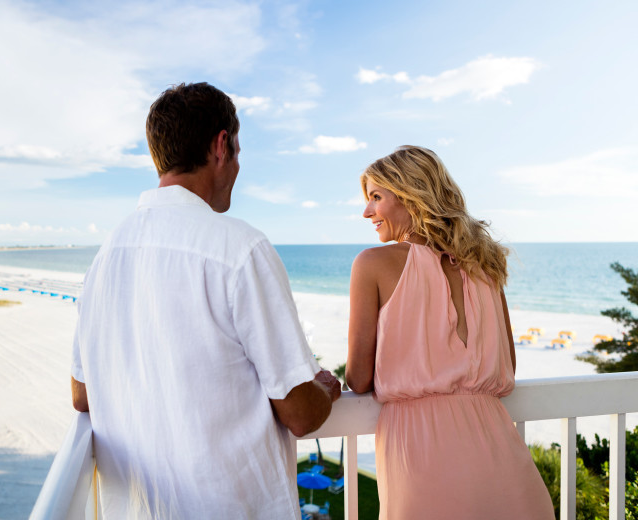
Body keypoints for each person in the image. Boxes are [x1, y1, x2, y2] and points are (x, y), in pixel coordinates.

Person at [70, 82, 341, 519]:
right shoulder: (240, 249)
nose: (237, 166)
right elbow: (300, 414)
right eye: (237, 150)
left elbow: (83, 396)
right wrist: (326, 389)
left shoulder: (104, 258)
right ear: (221, 145)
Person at [345, 146, 554, 519]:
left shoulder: (371, 264)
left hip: (420, 455)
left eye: (376, 197)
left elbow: (358, 380)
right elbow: (508, 368)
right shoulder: (485, 265)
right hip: (499, 450)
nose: (367, 211)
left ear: (410, 195)